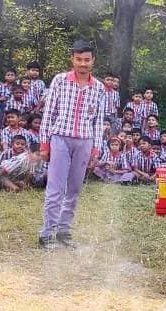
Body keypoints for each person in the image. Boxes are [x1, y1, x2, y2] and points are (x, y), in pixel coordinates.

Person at [37, 41, 106, 249]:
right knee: (56, 188)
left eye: (86, 60)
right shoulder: (60, 80)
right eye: (78, 59)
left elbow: (98, 121)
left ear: (93, 61)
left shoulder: (99, 88)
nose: (82, 64)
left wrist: (96, 148)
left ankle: (63, 231)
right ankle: (47, 234)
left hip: (84, 141)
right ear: (72, 59)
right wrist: (44, 144)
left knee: (74, 188)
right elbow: (49, 114)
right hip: (60, 138)